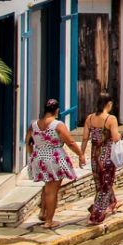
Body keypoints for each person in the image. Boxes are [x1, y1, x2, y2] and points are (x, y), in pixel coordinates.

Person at [26, 98, 84, 230]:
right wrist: (80, 154)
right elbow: (70, 142)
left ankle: (43, 213)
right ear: (56, 110)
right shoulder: (57, 125)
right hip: (54, 158)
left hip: (39, 157)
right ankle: (49, 221)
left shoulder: (34, 124)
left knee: (47, 186)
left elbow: (28, 141)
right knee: (52, 191)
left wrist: (32, 156)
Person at [81, 92, 122, 225]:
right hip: (107, 156)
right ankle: (97, 214)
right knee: (105, 185)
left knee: (100, 183)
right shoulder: (111, 119)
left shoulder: (89, 118)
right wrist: (121, 136)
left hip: (95, 155)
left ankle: (112, 202)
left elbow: (85, 138)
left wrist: (81, 154)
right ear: (108, 104)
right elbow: (115, 137)